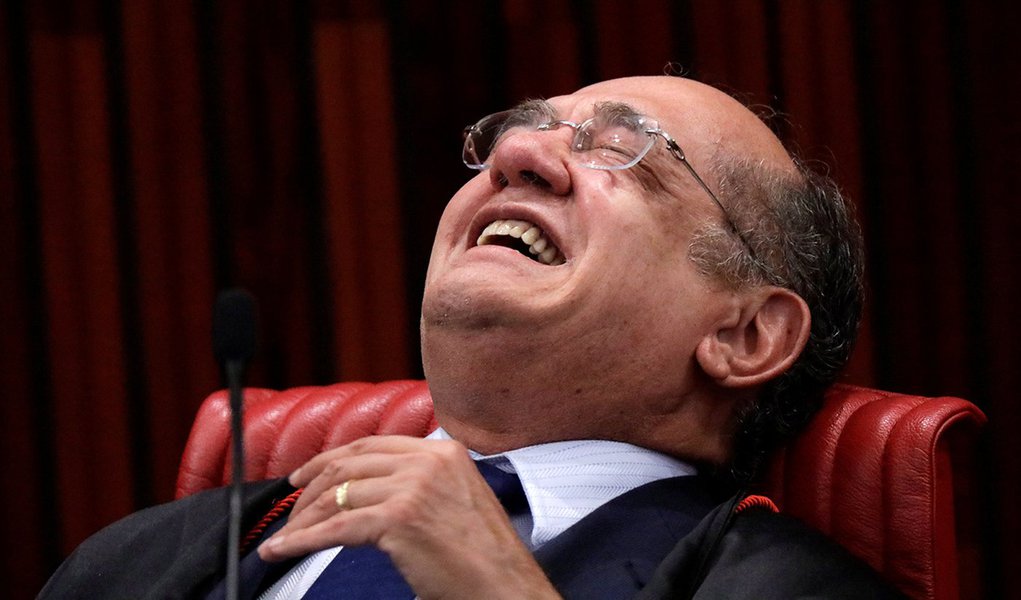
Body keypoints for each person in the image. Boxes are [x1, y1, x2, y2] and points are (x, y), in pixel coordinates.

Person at [40, 76, 903, 599]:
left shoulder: (784, 590)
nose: (519, 152)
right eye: (521, 127)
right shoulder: (144, 557)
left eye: (627, 152)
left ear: (745, 334)